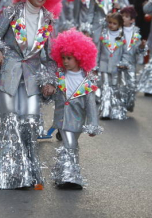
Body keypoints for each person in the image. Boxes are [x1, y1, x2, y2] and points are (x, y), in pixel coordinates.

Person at [0, 0, 64, 189]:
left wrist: (49, 81)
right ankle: (4, 173)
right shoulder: (11, 10)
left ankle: (28, 173)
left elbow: (48, 58)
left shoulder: (48, 19)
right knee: (10, 122)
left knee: (29, 124)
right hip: (7, 75)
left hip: (31, 79)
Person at [49, 28, 103, 189]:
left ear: (80, 57)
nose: (65, 61)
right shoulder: (58, 76)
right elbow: (49, 94)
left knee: (71, 145)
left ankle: (63, 174)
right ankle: (70, 178)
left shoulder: (86, 81)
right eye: (63, 58)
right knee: (70, 145)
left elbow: (91, 105)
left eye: (69, 58)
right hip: (62, 118)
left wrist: (93, 124)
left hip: (78, 120)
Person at [97, 12, 127, 120]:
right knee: (105, 87)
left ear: (119, 25)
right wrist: (95, 65)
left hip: (116, 67)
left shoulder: (122, 37)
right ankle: (105, 111)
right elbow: (98, 51)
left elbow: (125, 53)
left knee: (115, 88)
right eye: (109, 22)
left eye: (114, 23)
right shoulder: (103, 35)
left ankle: (115, 110)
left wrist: (124, 63)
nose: (111, 25)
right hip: (104, 66)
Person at [118, 6, 147, 112]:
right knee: (119, 86)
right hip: (118, 62)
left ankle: (128, 104)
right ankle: (119, 107)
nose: (123, 18)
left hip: (131, 63)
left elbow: (139, 51)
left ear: (132, 20)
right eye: (122, 16)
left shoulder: (136, 33)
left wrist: (142, 47)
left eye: (126, 16)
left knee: (131, 86)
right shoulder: (117, 30)